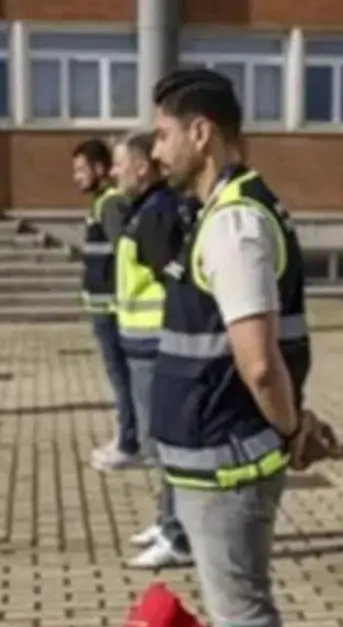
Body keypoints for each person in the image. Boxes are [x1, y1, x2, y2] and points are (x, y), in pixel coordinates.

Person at [150, 69, 334, 627]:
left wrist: (291, 428)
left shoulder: (235, 224)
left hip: (226, 463)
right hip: (211, 458)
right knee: (235, 616)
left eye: (162, 135)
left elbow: (258, 362)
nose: (156, 151)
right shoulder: (221, 210)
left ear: (199, 133)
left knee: (242, 622)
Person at [111, 131, 193, 570]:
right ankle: (167, 521)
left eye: (120, 163)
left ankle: (178, 535)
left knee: (164, 446)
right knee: (156, 443)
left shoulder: (157, 214)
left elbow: (174, 280)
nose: (112, 171)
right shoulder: (146, 210)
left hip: (156, 342)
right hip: (143, 342)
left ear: (142, 167)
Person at [71, 139, 140, 472]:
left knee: (121, 377)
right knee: (119, 376)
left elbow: (126, 253)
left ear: (100, 169)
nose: (77, 176)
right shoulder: (102, 202)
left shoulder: (110, 204)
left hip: (112, 310)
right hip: (103, 308)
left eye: (82, 169)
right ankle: (126, 435)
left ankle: (129, 442)